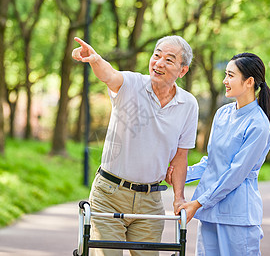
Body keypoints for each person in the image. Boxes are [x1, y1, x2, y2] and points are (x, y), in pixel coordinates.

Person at [71, 35, 199, 256]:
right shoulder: (132, 83)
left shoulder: (188, 104)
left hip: (151, 201)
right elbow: (109, 74)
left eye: (169, 60)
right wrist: (95, 59)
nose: (158, 63)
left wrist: (179, 197)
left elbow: (180, 156)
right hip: (110, 194)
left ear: (182, 70)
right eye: (156, 55)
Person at [166, 52, 270, 255]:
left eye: (231, 75)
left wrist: (197, 203)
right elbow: (212, 162)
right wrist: (180, 175)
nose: (225, 81)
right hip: (209, 214)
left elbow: (235, 173)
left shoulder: (259, 126)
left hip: (237, 217)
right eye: (226, 74)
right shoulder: (222, 114)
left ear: (249, 82)